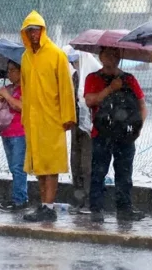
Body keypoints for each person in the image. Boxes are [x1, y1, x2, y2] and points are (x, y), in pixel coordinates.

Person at [19, 11, 77, 222]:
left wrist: (68, 117)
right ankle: (44, 205)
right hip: (34, 120)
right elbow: (24, 90)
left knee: (51, 164)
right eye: (29, 31)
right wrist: (25, 116)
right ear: (24, 33)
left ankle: (49, 207)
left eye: (36, 30)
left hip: (53, 118)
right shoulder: (25, 58)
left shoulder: (56, 55)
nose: (33, 34)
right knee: (39, 165)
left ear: (43, 31)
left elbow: (66, 88)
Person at [84, 47, 147, 223]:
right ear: (101, 57)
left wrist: (137, 127)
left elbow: (142, 105)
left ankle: (125, 209)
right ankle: (96, 209)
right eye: (107, 55)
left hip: (125, 135)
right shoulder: (93, 78)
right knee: (98, 172)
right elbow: (90, 100)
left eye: (115, 55)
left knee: (124, 174)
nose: (111, 58)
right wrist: (111, 88)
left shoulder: (129, 79)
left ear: (119, 57)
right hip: (101, 133)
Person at [0, 61, 28, 212]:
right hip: (6, 131)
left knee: (18, 166)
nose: (9, 74)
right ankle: (18, 196)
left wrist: (7, 97)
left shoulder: (26, 88)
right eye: (7, 71)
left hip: (19, 132)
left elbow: (21, 107)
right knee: (13, 166)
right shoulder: (9, 88)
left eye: (12, 70)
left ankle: (20, 199)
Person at [67, 50, 92, 214]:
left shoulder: (90, 76)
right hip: (75, 124)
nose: (73, 65)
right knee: (75, 163)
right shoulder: (74, 77)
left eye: (75, 61)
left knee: (86, 164)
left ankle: (89, 201)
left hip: (89, 127)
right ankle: (79, 200)